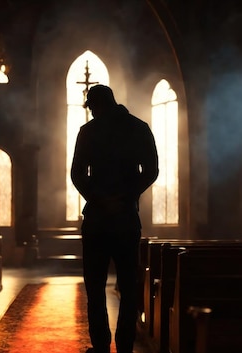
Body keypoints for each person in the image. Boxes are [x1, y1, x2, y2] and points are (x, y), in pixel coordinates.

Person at [71, 84, 159, 353]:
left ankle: (100, 347)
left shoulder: (88, 131)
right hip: (126, 217)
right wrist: (126, 196)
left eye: (92, 108)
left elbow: (77, 174)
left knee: (95, 287)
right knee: (129, 287)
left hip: (97, 219)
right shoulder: (138, 127)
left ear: (96, 105)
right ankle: (124, 347)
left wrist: (99, 199)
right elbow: (152, 171)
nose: (93, 113)